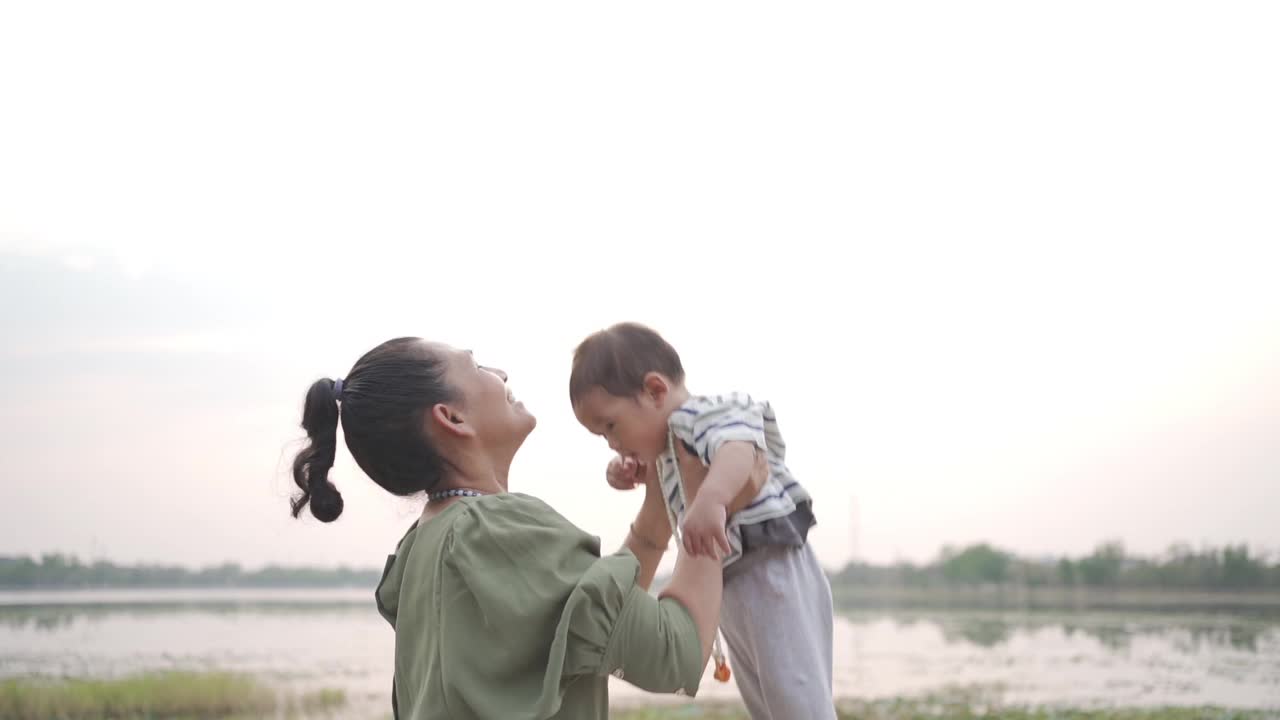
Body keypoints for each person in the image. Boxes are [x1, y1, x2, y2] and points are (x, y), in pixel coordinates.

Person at [288, 337, 724, 719]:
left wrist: (663, 499)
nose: (500, 373)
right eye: (477, 367)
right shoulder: (499, 532)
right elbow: (675, 653)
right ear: (452, 418)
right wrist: (711, 499)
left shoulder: (427, 544)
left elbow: (600, 622)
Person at [570, 322, 837, 720]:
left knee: (797, 697)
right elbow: (665, 478)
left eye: (611, 426)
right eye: (601, 436)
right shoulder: (666, 448)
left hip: (770, 566)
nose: (612, 441)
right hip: (733, 581)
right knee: (767, 699)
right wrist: (627, 470)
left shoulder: (704, 414)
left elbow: (739, 449)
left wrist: (712, 498)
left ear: (655, 390)